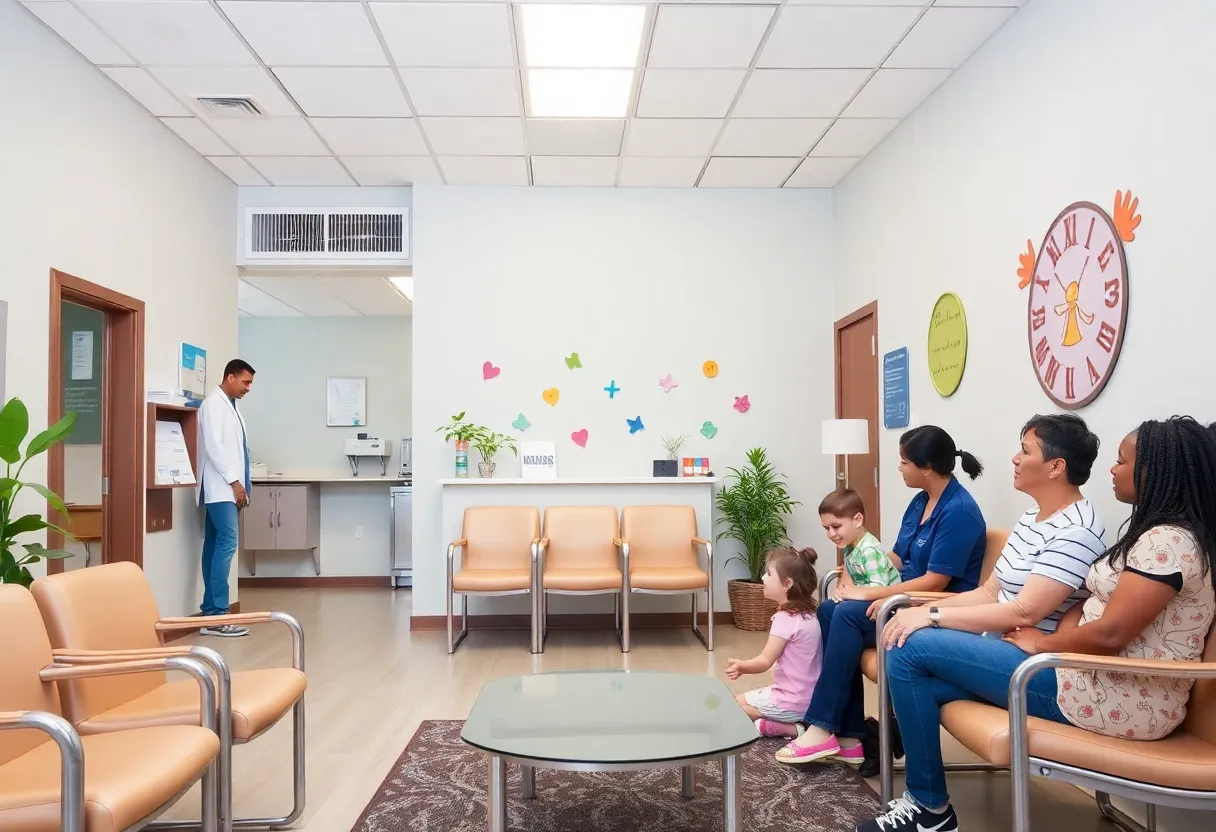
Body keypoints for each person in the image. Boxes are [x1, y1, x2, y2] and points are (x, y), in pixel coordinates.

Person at [854, 416, 1216, 832]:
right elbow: (1091, 604)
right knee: (918, 672)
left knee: (911, 647)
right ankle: (929, 806)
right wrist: (1057, 639)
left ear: (1156, 470)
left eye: (1122, 461)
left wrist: (1045, 646)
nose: (1112, 470)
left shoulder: (1167, 541)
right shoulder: (1155, 534)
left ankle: (928, 808)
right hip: (1086, 676)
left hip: (1115, 695)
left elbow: (1112, 631)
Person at [776, 425, 987, 766]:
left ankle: (822, 726)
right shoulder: (922, 502)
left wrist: (872, 592)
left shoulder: (958, 511)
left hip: (934, 609)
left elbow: (934, 582)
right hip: (904, 598)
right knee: (831, 609)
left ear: (927, 467)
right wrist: (856, 564)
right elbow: (899, 559)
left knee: (844, 614)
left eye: (904, 462)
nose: (899, 468)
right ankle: (847, 736)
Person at [726, 547, 822, 739]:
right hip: (809, 699)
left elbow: (765, 660)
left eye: (769, 574)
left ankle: (793, 729)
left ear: (787, 584)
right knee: (734, 702)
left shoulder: (785, 619)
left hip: (790, 702)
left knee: (730, 710)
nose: (763, 578)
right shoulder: (810, 614)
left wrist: (742, 666)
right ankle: (796, 724)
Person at [195, 359, 256, 637]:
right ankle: (218, 615)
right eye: (245, 382)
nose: (248, 388)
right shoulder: (213, 404)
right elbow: (214, 447)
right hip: (222, 488)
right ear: (230, 377)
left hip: (229, 488)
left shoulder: (231, 405)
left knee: (214, 544)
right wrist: (235, 482)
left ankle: (210, 611)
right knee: (227, 543)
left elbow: (237, 449)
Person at [820, 488, 900, 600]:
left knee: (842, 611)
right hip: (865, 597)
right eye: (826, 528)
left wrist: (853, 593)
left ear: (857, 520)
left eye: (836, 527)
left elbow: (879, 588)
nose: (831, 534)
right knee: (827, 608)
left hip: (886, 603)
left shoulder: (869, 550)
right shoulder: (850, 547)